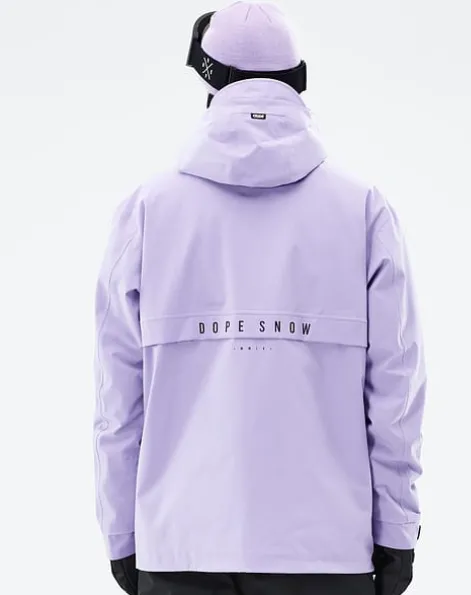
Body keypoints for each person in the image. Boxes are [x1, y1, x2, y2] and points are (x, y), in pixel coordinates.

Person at [93, 3, 427, 595]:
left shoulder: (148, 212)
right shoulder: (362, 211)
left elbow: (118, 399)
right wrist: (397, 528)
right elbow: (395, 390)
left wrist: (121, 532)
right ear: (297, 80)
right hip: (328, 552)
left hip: (180, 546)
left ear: (208, 80)